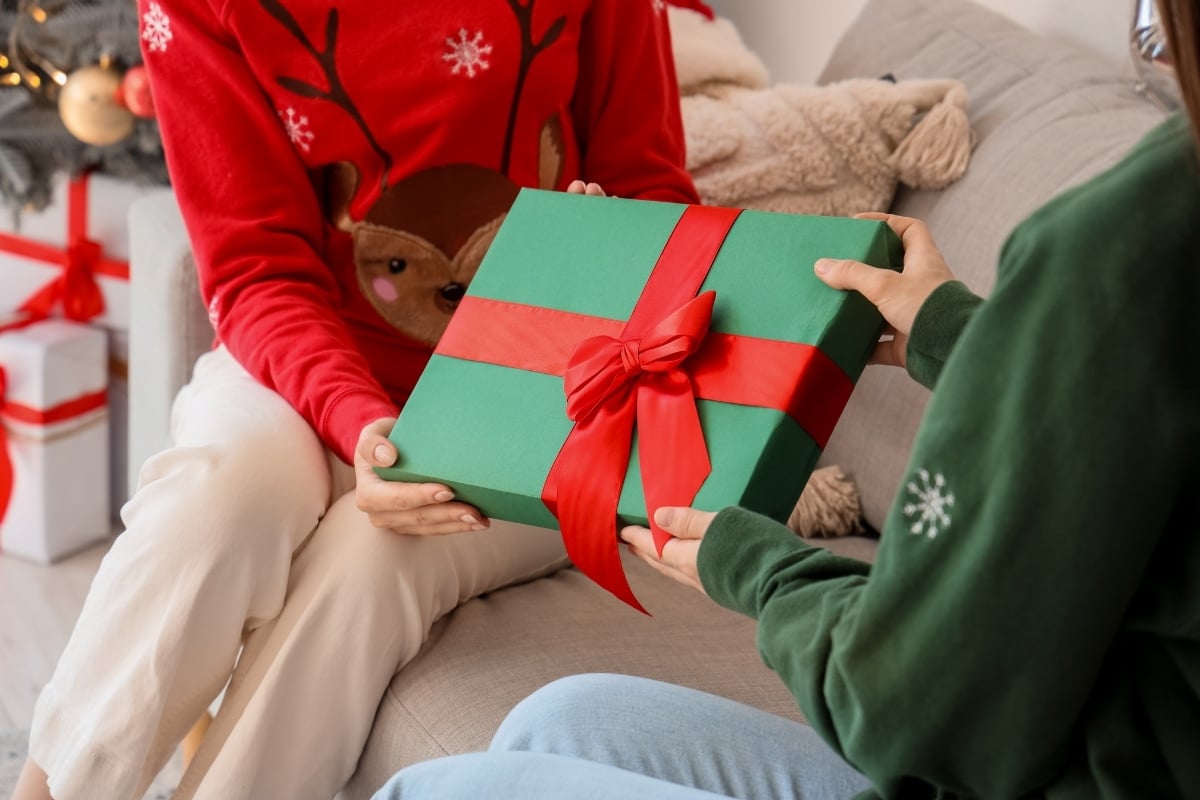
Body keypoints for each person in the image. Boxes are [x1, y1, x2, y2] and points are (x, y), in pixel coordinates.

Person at [370, 0, 1200, 797]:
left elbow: (910, 713)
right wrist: (967, 337)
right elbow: (1114, 426)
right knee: (560, 720)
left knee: (433, 789)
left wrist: (764, 570)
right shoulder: (1135, 246)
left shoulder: (1121, 247)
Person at [13, 2, 699, 800]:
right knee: (220, 500)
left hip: (540, 395)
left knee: (374, 556)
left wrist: (612, 248)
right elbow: (256, 267)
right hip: (305, 362)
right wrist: (359, 422)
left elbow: (657, 195)